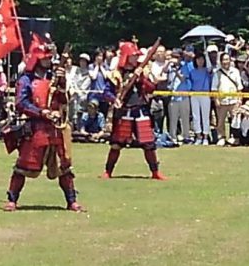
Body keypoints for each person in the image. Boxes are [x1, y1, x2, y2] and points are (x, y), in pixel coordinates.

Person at [2, 42, 85, 213]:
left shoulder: (53, 76)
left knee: (64, 166)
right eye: (45, 58)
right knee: (23, 165)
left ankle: (71, 201)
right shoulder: (26, 80)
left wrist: (61, 81)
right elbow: (21, 103)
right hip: (36, 129)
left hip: (55, 129)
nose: (48, 61)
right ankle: (12, 200)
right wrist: (42, 112)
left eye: (49, 58)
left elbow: (62, 100)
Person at [100, 40, 167, 180]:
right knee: (117, 143)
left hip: (141, 110)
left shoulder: (143, 70)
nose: (136, 58)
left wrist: (141, 77)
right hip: (124, 111)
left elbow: (151, 88)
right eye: (133, 55)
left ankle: (155, 172)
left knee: (149, 144)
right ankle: (108, 171)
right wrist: (115, 100)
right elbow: (106, 92)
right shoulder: (117, 73)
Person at [211, 53, 243, 146]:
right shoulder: (217, 73)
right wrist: (216, 100)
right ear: (221, 62)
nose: (226, 62)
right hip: (222, 101)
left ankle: (235, 137)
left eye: (227, 59)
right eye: (224, 60)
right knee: (220, 121)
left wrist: (239, 100)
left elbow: (239, 87)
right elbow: (214, 88)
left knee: (235, 121)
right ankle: (222, 137)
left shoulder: (235, 71)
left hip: (234, 100)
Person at [167, 49, 193, 143]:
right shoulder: (170, 66)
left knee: (185, 117)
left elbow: (182, 79)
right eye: (174, 57)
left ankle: (186, 136)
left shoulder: (184, 66)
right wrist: (168, 64)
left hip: (184, 95)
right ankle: (172, 137)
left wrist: (176, 71)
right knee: (173, 118)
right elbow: (164, 72)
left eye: (177, 57)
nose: (175, 59)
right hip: (173, 96)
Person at [190, 51, 212, 145]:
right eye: (198, 59)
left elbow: (210, 68)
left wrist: (207, 55)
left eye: (202, 59)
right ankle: (198, 136)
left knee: (205, 116)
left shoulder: (207, 70)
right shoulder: (192, 71)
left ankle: (206, 136)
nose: (200, 61)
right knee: (196, 116)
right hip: (194, 94)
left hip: (205, 94)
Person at [67, 54, 92, 127]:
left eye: (84, 61)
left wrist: (79, 91)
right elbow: (73, 81)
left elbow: (86, 84)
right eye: (81, 61)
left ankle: (79, 124)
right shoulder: (76, 70)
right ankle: (71, 123)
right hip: (74, 93)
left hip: (83, 94)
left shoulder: (88, 73)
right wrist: (73, 89)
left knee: (80, 104)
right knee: (72, 102)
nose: (82, 63)